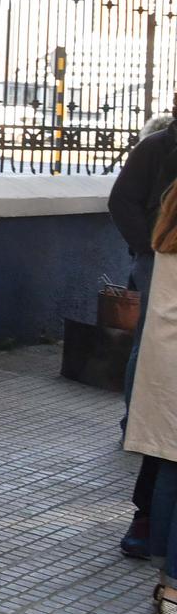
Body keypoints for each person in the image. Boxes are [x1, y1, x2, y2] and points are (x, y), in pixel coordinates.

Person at [108, 109, 176, 558]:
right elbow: (122, 200)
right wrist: (147, 246)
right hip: (163, 259)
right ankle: (139, 423)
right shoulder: (158, 147)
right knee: (152, 353)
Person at [126, 180, 177, 614]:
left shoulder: (166, 231)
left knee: (167, 467)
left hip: (165, 369)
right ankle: (175, 588)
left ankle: (166, 578)